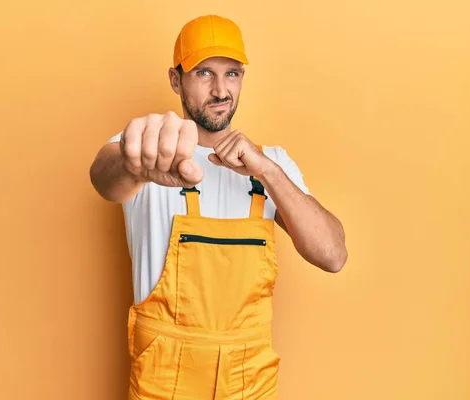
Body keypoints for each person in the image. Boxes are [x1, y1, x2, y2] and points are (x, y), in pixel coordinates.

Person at [89, 14, 347, 400]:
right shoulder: (151, 151)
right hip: (165, 382)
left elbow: (333, 255)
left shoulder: (272, 164)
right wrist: (132, 162)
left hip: (249, 383)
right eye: (204, 73)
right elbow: (104, 178)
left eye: (232, 74)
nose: (221, 90)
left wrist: (267, 170)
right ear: (176, 80)